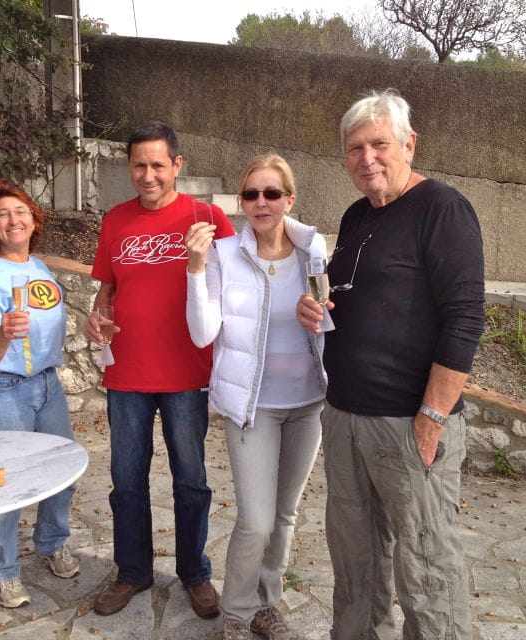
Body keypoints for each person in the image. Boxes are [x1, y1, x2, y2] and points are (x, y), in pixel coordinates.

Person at [298, 89, 485, 639]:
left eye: (379, 143)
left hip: (407, 423)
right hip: (345, 416)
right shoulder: (358, 214)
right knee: (354, 556)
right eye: (354, 148)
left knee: (426, 565)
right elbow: (349, 297)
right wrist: (315, 309)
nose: (367, 158)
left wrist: (433, 414)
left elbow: (464, 320)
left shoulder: (443, 209)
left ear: (409, 143)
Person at [85, 120, 236, 618]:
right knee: (126, 480)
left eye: (157, 165)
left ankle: (195, 572)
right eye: (138, 165)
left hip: (187, 374)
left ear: (177, 166)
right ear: (128, 167)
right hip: (126, 373)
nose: (147, 175)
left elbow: (238, 282)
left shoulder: (206, 216)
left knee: (190, 480)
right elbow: (105, 287)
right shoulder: (115, 221)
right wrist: (96, 315)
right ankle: (133, 571)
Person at [185, 155, 329, 640]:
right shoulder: (225, 254)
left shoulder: (314, 250)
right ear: (241, 202)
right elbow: (203, 334)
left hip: (308, 403)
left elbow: (332, 322)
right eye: (251, 194)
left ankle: (269, 604)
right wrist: (196, 268)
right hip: (252, 408)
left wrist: (323, 317)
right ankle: (238, 613)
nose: (261, 203)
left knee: (285, 516)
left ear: (291, 198)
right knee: (256, 520)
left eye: (272, 193)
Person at [0, 179, 79, 608]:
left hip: (46, 385)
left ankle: (51, 543)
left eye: (21, 212)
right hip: (2, 390)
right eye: (2, 214)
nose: (13, 220)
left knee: (62, 473)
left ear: (34, 222)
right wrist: (2, 332)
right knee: (5, 486)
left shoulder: (40, 269)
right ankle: (2, 572)